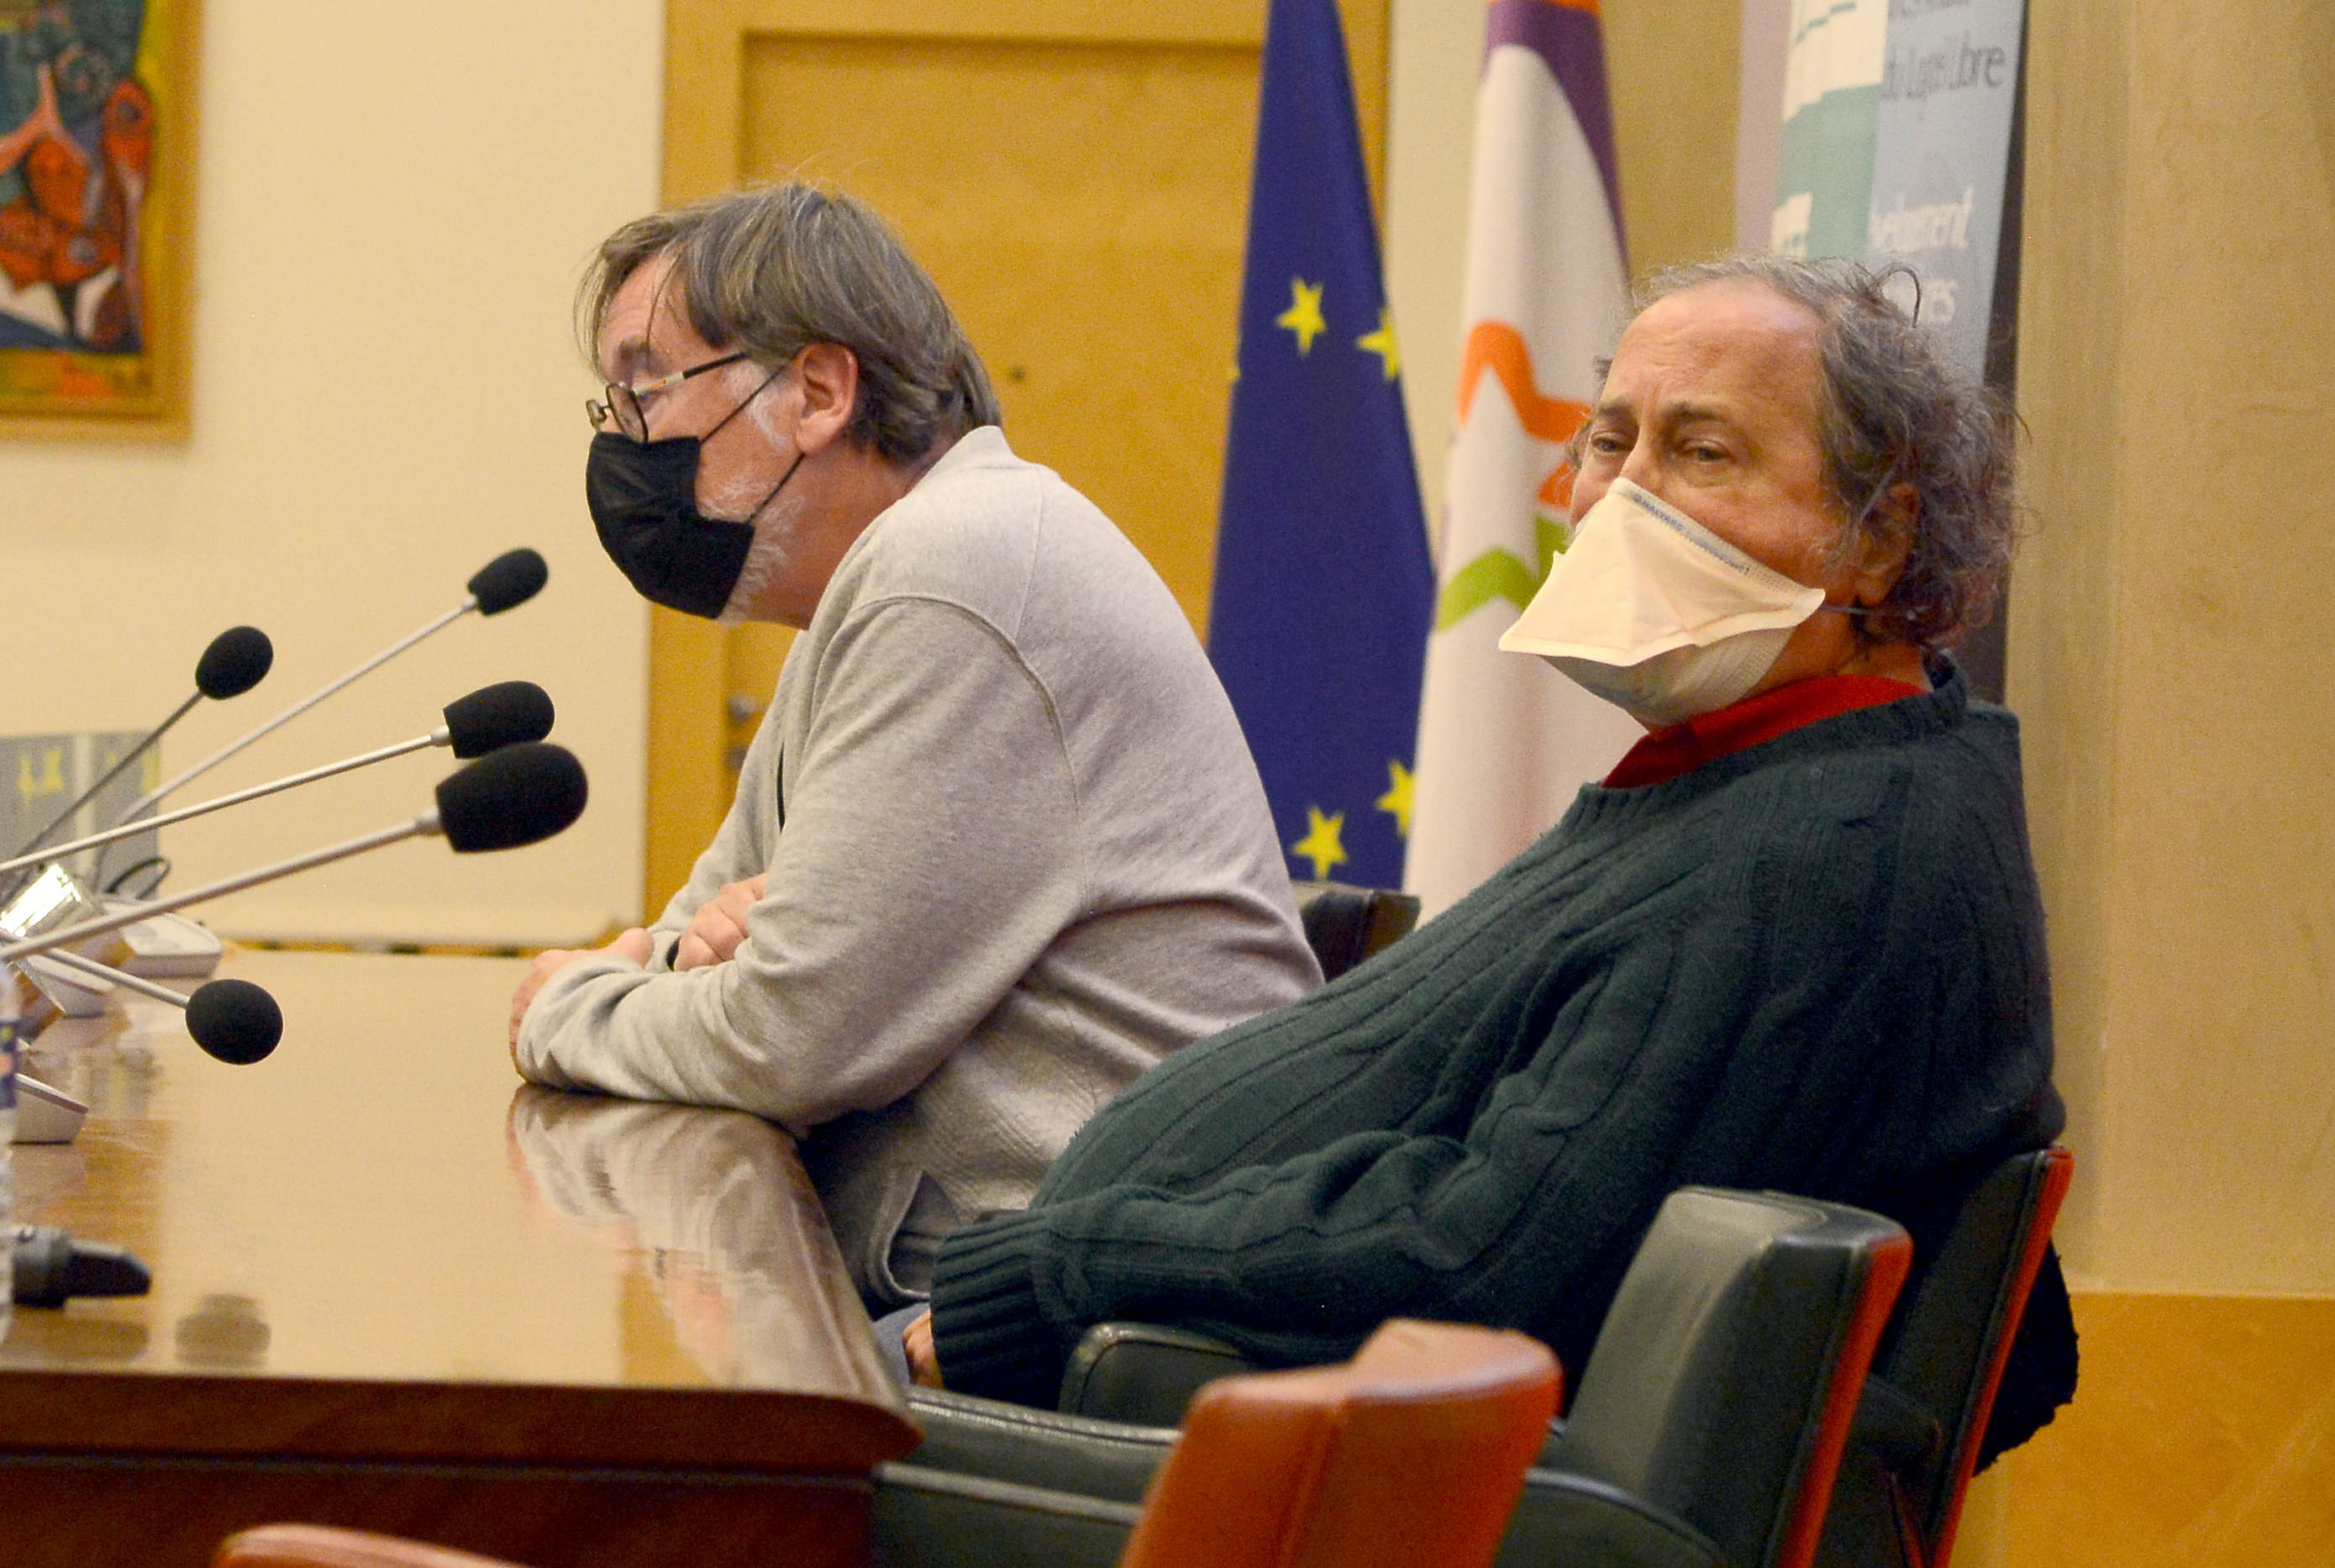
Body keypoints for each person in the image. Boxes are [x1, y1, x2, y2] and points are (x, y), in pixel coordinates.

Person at [907, 256, 2073, 1454]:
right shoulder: (1753, 780)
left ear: (1879, 542)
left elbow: (1490, 1252)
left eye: (1704, 452)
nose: (1623, 499)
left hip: (1276, 1459)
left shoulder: (1824, 855)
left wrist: (1060, 1270)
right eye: (1609, 443)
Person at [508, 184, 1320, 1309]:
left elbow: (779, 1040)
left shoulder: (958, 570)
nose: (622, 443)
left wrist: (564, 1009)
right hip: (956, 1275)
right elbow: (689, 946)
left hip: (1051, 1313)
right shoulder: (873, 593)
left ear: (820, 391)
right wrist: (685, 967)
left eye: (646, 390)